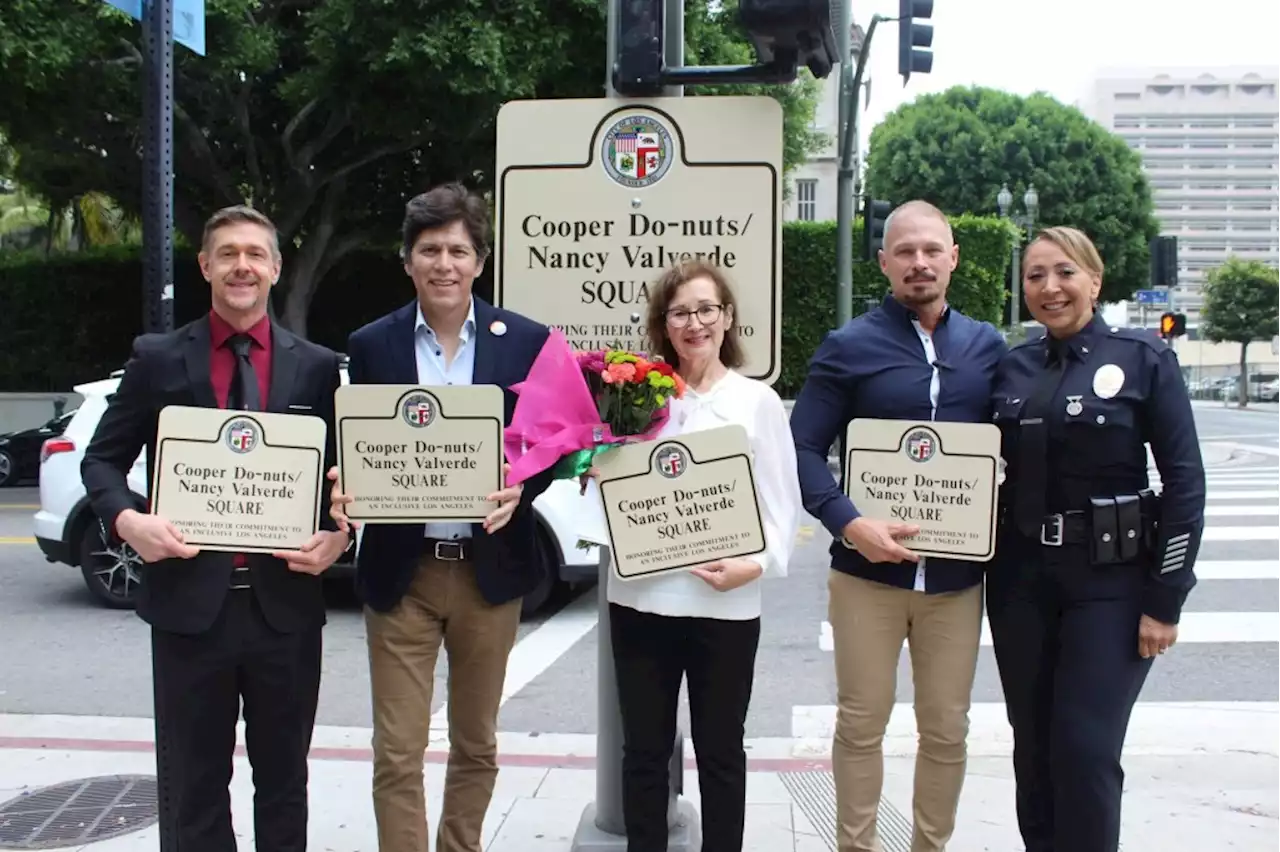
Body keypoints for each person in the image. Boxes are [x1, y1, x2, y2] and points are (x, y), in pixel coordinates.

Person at [80, 205, 351, 850]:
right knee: (194, 784)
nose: (242, 266)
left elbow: (345, 482)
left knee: (284, 780)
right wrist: (126, 521)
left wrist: (343, 537)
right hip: (187, 610)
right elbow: (101, 458)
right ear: (204, 266)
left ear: (276, 269)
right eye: (227, 253)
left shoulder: (314, 367)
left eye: (255, 254)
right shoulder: (157, 357)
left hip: (282, 609)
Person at [325, 182, 553, 852]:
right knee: (396, 750)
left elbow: (549, 444)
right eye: (430, 250)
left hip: (491, 571)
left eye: (458, 249)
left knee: (475, 742)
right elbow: (358, 444)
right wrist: (345, 486)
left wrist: (525, 488)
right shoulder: (371, 346)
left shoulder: (527, 342)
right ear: (407, 260)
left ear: (480, 260)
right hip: (403, 573)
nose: (444, 263)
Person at [790, 200, 1008, 852]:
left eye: (931, 249)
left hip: (956, 579)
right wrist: (848, 522)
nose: (919, 262)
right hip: (866, 577)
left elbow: (1019, 439)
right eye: (904, 251)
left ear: (953, 258)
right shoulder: (849, 346)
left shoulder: (987, 347)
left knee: (947, 728)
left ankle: (929, 847)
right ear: (883, 261)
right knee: (861, 723)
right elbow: (800, 450)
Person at [987, 225, 1205, 852]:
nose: (1050, 288)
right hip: (1021, 581)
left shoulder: (1144, 359)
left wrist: (1167, 598)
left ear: (1094, 280)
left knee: (1085, 749)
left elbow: (1186, 484)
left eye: (1064, 272)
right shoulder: (1012, 366)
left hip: (1110, 582)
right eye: (1035, 276)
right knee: (1033, 747)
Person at [592, 260, 802, 852]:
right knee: (644, 753)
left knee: (721, 752)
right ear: (663, 323)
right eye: (680, 312)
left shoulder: (756, 401)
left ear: (727, 317)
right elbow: (608, 490)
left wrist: (754, 566)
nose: (695, 323)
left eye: (706, 309)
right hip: (642, 599)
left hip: (726, 605)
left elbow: (781, 504)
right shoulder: (633, 397)